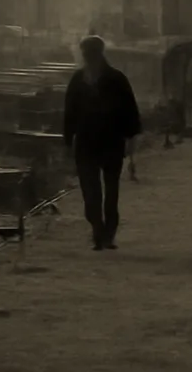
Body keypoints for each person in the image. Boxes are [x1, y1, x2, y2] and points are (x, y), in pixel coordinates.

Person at [63, 35, 142, 251]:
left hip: (110, 141)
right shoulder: (80, 80)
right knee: (92, 191)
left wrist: (130, 137)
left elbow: (129, 110)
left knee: (109, 191)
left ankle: (106, 233)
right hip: (89, 142)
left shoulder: (114, 79)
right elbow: (70, 112)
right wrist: (68, 139)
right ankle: (99, 230)